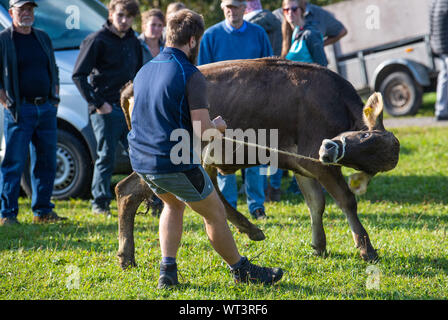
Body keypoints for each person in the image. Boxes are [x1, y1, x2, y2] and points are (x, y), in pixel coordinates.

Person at [128, 8, 283, 288]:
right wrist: (218, 126)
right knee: (215, 213)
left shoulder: (145, 70)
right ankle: (241, 270)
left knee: (172, 204)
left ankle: (168, 272)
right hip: (173, 161)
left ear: (168, 35)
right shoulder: (191, 74)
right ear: (192, 41)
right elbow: (202, 130)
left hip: (142, 161)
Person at [198, 0, 273, 220]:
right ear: (223, 8)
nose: (232, 11)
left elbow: (270, 71)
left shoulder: (259, 34)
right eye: (228, 6)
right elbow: (201, 77)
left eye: (237, 6)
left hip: (254, 108)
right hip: (223, 110)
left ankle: (257, 206)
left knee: (256, 155)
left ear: (245, 8)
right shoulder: (211, 37)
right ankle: (227, 206)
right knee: (223, 158)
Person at [72, 0, 143, 217]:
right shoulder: (96, 40)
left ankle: (146, 198)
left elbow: (139, 74)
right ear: (111, 13)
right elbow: (78, 75)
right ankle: (100, 204)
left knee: (140, 156)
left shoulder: (134, 40)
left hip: (129, 109)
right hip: (106, 109)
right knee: (106, 157)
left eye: (129, 16)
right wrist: (98, 104)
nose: (125, 21)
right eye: (120, 15)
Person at [0, 0, 66, 226]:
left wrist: (54, 99)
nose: (27, 13)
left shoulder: (43, 37)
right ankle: (7, 214)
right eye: (22, 9)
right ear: (11, 12)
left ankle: (43, 210)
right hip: (19, 109)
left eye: (30, 9)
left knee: (47, 161)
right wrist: (5, 102)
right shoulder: (4, 40)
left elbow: (53, 69)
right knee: (14, 163)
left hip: (46, 108)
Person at [273, 0, 347, 48]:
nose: (290, 13)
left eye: (294, 9)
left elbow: (342, 31)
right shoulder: (276, 16)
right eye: (286, 10)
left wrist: (319, 45)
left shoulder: (319, 14)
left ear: (301, 11)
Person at [430, 0, 448, 121]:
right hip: (446, 44)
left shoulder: (435, 2)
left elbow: (430, 25)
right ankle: (441, 111)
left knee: (444, 76)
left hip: (439, 45)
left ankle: (441, 110)